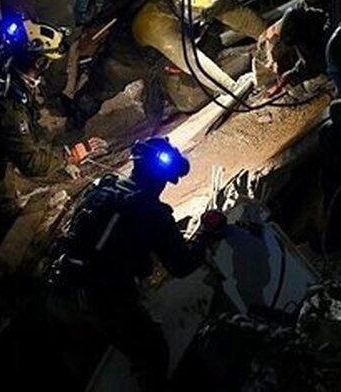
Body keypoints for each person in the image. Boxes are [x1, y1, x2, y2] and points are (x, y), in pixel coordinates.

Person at [45, 137, 225, 391]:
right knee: (153, 353)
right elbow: (181, 265)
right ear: (165, 179)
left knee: (78, 361)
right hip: (102, 300)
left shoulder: (103, 187)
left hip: (61, 286)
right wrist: (205, 233)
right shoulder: (152, 212)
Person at [67, 0, 265, 132]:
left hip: (170, 50)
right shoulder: (155, 21)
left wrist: (268, 34)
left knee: (189, 89)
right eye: (195, 9)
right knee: (101, 88)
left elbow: (240, 15)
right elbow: (194, 62)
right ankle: (75, 119)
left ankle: (164, 85)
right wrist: (231, 89)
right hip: (128, 58)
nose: (200, 12)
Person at [0, 17, 104, 233]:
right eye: (49, 61)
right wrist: (69, 157)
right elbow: (30, 164)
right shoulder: (10, 107)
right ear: (40, 63)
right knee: (4, 217)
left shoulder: (5, 64)